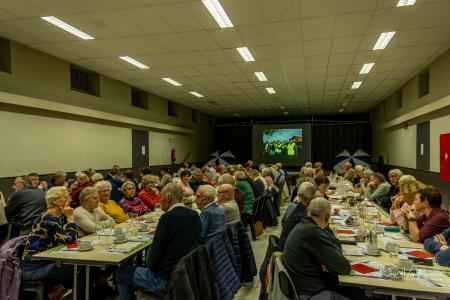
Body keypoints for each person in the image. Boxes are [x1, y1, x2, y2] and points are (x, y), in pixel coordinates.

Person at [115, 183, 201, 300]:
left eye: (161, 197)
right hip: (186, 274)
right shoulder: (194, 214)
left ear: (169, 197)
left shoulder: (167, 218)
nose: (159, 200)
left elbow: (151, 261)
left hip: (165, 280)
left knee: (120, 273)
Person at [284, 198, 351, 299]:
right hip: (310, 293)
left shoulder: (303, 226)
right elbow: (344, 267)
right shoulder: (312, 232)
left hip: (299, 286)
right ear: (328, 217)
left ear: (308, 211)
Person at [21, 186, 79, 294]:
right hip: (34, 268)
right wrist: (71, 218)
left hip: (47, 261)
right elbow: (72, 242)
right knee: (77, 267)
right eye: (66, 197)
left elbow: (70, 243)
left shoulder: (57, 217)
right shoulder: (48, 219)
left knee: (80, 265)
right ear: (55, 201)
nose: (70, 200)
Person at [279, 182, 317, 250]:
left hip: (286, 245)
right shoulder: (303, 216)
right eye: (314, 196)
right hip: (291, 251)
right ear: (308, 199)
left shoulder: (295, 206)